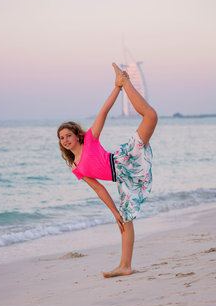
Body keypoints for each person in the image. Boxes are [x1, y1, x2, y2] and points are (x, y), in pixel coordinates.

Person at [57, 63, 158, 278]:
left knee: (150, 115)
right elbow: (100, 189)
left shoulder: (90, 140)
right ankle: (125, 266)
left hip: (124, 158)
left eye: (68, 135)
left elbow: (104, 110)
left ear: (76, 135)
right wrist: (114, 212)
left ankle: (125, 81)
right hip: (122, 178)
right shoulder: (76, 168)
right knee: (125, 219)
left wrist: (117, 88)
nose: (65, 140)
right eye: (61, 138)